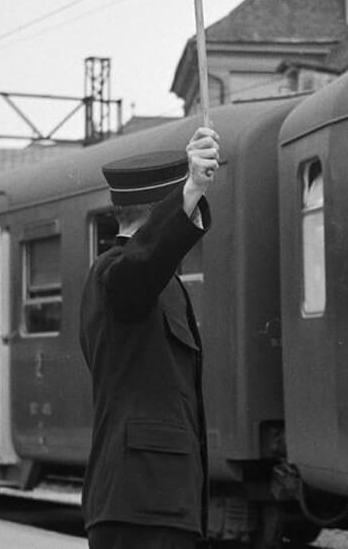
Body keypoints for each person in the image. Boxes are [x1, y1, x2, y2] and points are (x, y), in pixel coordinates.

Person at [79, 126, 220, 549]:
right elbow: (143, 263)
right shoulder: (118, 274)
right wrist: (191, 189)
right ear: (162, 211)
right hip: (141, 502)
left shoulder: (142, 280)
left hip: (154, 501)